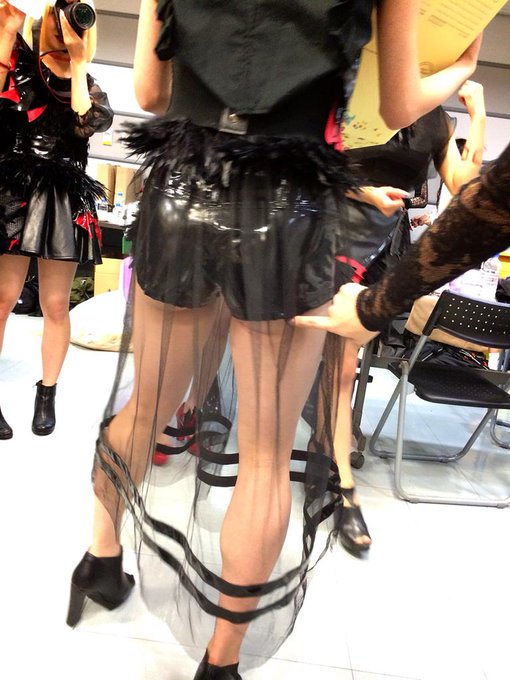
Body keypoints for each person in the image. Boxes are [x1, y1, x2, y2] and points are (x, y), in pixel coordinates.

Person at [65, 2, 481, 678]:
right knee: (265, 451)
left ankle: (100, 559)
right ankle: (220, 664)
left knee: (145, 408)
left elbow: (150, 93)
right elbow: (400, 105)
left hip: (183, 190)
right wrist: (461, 67)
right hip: (290, 211)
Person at [329, 81, 486, 553]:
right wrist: (365, 193)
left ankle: (334, 470)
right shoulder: (355, 88)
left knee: (341, 366)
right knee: (322, 362)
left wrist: (478, 113)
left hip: (383, 249)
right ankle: (335, 476)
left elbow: (463, 186)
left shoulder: (435, 118)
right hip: (330, 231)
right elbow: (308, 166)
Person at [0, 0, 112, 438]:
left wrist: (80, 63)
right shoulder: (19, 65)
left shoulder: (90, 84)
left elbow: (88, 121)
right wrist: (7, 35)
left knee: (55, 304)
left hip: (63, 197)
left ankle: (46, 392)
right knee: (2, 298)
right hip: (14, 190)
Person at [293, 143, 510, 345]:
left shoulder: (426, 149)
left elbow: (479, 206)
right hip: (342, 231)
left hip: (390, 227)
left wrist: (373, 307)